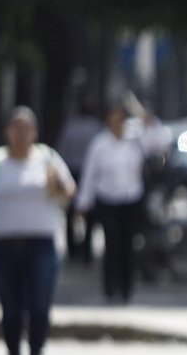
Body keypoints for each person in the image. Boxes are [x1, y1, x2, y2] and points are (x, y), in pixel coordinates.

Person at [0, 106, 75, 355]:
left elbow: (69, 192)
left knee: (39, 303)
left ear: (34, 133)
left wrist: (59, 186)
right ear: (8, 132)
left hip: (42, 243)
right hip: (2, 244)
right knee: (10, 304)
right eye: (16, 128)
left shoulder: (48, 159)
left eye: (26, 129)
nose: (21, 134)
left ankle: (37, 354)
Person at [74, 96, 172, 303]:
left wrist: (145, 117)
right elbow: (90, 174)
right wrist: (83, 202)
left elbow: (163, 140)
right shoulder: (100, 144)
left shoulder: (136, 139)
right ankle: (110, 288)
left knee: (129, 245)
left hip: (132, 199)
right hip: (107, 199)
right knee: (112, 243)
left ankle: (127, 289)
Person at [55, 95, 103, 264]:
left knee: (70, 213)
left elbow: (61, 151)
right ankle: (86, 251)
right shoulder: (97, 128)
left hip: (72, 171)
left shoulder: (71, 127)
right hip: (89, 174)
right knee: (90, 213)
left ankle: (72, 249)